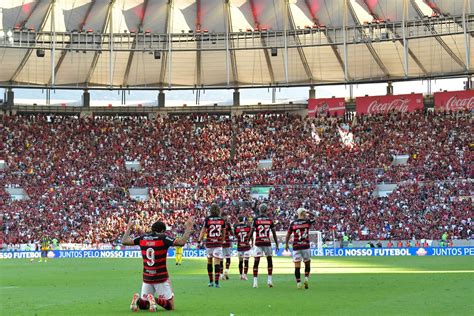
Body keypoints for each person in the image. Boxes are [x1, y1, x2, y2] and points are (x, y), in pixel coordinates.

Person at [122, 216, 194, 312]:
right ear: (163, 230)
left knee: (144, 306)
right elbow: (181, 242)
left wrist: (129, 228)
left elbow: (124, 241)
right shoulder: (163, 238)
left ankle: (139, 300)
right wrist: (188, 228)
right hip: (160, 277)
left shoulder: (142, 238)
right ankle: (153, 299)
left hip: (147, 278)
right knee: (170, 305)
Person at [249, 203, 279, 288]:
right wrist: (276, 244)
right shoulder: (269, 220)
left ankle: (255, 282)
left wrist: (248, 241)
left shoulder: (256, 219)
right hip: (267, 242)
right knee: (269, 261)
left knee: (256, 262)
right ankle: (269, 280)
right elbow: (274, 233)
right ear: (266, 210)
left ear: (259, 210)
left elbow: (251, 232)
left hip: (258, 242)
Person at [285, 208, 315, 289]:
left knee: (297, 266)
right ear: (304, 213)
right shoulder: (307, 222)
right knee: (307, 263)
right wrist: (309, 212)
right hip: (305, 246)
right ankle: (306, 279)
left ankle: (298, 283)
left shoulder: (293, 223)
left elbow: (288, 235)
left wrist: (286, 244)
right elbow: (316, 218)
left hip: (296, 246)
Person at [198, 203, 226, 288]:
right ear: (218, 210)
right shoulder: (222, 220)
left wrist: (199, 240)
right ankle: (217, 282)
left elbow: (203, 230)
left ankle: (211, 281)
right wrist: (223, 240)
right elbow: (224, 232)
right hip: (218, 243)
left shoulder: (207, 219)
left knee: (209, 261)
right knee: (217, 262)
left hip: (209, 243)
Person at [234, 216, 251, 281]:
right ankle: (245, 275)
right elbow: (250, 235)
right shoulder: (247, 227)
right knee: (246, 261)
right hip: (246, 246)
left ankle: (241, 275)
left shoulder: (236, 227)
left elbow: (235, 235)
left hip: (240, 246)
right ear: (243, 220)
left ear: (238, 220)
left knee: (240, 261)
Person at [220, 213, 233, 280]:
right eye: (226, 216)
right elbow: (231, 233)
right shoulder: (227, 224)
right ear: (223, 216)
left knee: (221, 259)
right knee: (227, 258)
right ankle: (226, 271)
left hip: (221, 243)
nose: (227, 218)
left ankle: (222, 274)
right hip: (226, 243)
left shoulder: (218, 223)